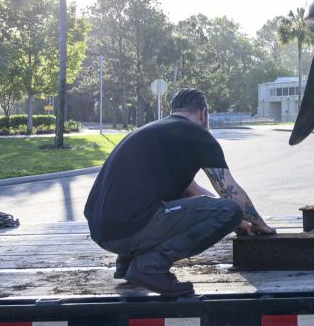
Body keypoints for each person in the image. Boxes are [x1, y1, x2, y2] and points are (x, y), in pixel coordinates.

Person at [84, 88, 275, 296]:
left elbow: (192, 191)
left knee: (205, 209)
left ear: (174, 110)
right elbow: (230, 193)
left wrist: (237, 223)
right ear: (204, 114)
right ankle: (149, 267)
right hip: (131, 228)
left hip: (104, 231)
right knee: (231, 210)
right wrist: (259, 224)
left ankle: (127, 264)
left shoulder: (153, 130)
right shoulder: (198, 135)